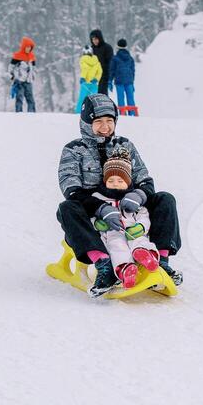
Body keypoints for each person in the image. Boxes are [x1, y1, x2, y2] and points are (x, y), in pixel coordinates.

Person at [57, 93, 182, 296]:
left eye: (110, 121)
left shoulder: (125, 145)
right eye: (98, 121)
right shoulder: (73, 150)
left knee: (165, 199)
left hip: (129, 210)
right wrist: (100, 208)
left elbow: (145, 179)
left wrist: (140, 195)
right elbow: (71, 190)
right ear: (87, 123)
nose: (105, 127)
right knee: (66, 209)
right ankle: (104, 265)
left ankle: (162, 260)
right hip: (95, 213)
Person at [86, 148, 160, 295]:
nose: (115, 184)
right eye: (111, 180)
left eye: (120, 181)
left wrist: (141, 227)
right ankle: (126, 270)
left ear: (128, 182)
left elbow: (143, 215)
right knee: (117, 249)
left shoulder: (132, 198)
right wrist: (97, 223)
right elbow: (91, 214)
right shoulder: (99, 198)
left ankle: (147, 256)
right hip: (113, 233)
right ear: (104, 181)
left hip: (134, 230)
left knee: (140, 241)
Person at [109, 38, 137, 114]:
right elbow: (132, 71)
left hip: (119, 81)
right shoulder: (130, 58)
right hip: (129, 81)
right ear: (126, 47)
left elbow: (112, 71)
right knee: (130, 99)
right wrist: (132, 82)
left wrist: (110, 81)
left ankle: (122, 114)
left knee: (121, 99)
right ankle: (132, 114)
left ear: (117, 47)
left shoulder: (115, 58)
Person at [9, 37, 36, 113]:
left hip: (28, 81)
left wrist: (33, 75)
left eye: (30, 47)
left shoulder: (32, 57)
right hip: (19, 81)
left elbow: (34, 68)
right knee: (19, 98)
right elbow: (10, 68)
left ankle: (32, 114)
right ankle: (19, 114)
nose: (29, 49)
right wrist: (13, 77)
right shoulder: (17, 56)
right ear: (24, 47)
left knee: (31, 99)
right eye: (27, 47)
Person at [75, 45, 102, 112]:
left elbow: (85, 68)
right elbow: (100, 71)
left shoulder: (83, 59)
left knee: (82, 98)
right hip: (94, 83)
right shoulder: (96, 60)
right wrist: (96, 79)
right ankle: (93, 112)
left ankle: (79, 112)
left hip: (85, 82)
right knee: (93, 98)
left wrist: (83, 77)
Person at [90, 29, 113, 96]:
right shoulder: (91, 49)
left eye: (96, 39)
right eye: (93, 39)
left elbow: (111, 63)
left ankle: (105, 106)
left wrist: (109, 78)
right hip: (93, 76)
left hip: (104, 75)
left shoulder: (107, 48)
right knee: (93, 95)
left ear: (100, 38)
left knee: (102, 94)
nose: (94, 41)